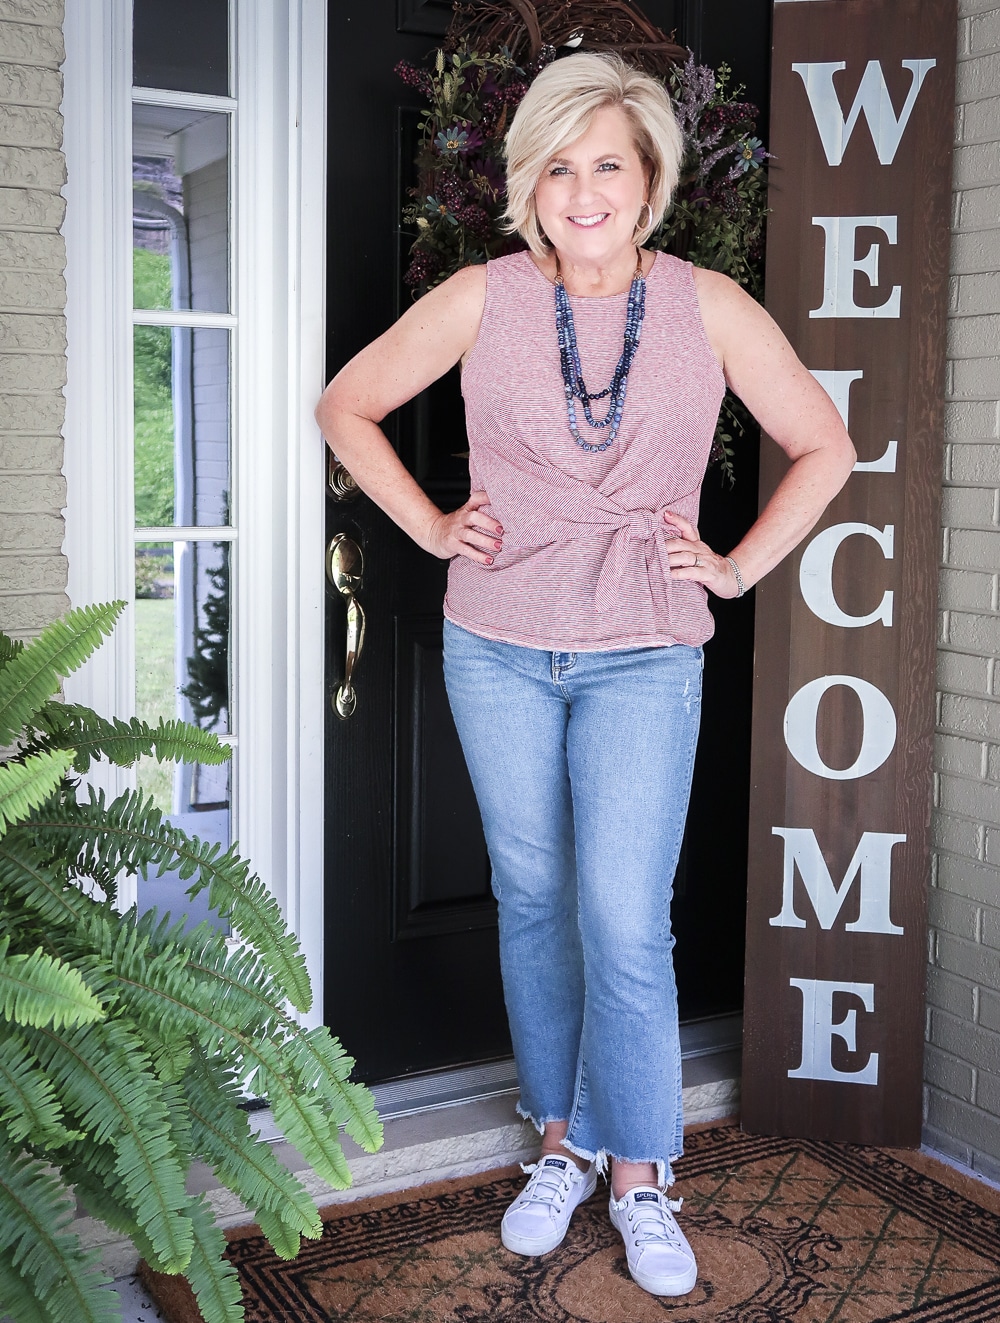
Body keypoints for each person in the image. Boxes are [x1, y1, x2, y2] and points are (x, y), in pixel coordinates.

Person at [315, 51, 854, 1299]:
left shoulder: (709, 305)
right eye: (557, 166)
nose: (583, 188)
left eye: (607, 162)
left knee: (623, 919)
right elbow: (347, 407)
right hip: (497, 644)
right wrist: (434, 526)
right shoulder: (483, 296)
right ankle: (557, 1143)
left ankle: (642, 1175)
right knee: (533, 898)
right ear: (528, 184)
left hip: (644, 655)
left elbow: (823, 445)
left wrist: (731, 568)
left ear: (650, 177)